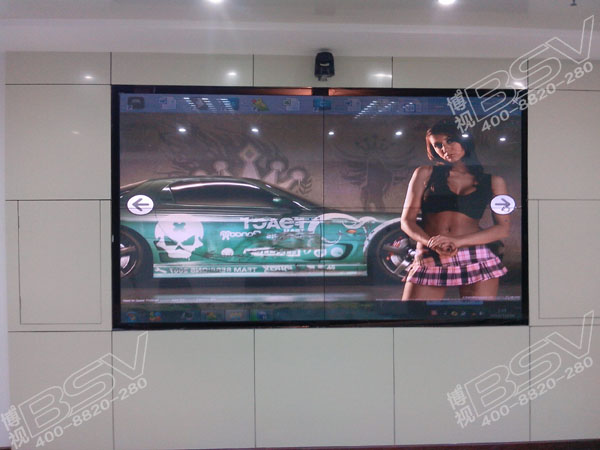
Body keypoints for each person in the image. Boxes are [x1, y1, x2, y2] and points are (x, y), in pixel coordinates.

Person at [400, 120, 510, 300]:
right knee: (414, 314)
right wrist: (431, 243)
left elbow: (502, 229)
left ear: (465, 140)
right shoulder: (425, 173)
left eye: (450, 140)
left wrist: (457, 242)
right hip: (432, 251)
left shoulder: (494, 181)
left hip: (476, 255)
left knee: (476, 316)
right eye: (438, 145)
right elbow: (407, 221)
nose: (445, 149)